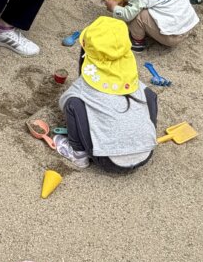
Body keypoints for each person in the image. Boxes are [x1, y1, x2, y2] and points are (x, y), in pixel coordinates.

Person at [54, 16, 158, 173]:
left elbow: (64, 104)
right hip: (146, 153)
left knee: (73, 104)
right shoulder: (133, 82)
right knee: (148, 94)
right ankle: (143, 134)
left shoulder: (83, 86)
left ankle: (78, 155)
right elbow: (151, 97)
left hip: (108, 160)